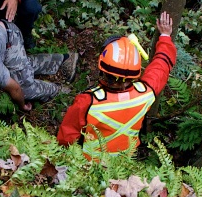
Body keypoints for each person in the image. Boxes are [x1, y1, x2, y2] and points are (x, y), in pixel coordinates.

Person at [57, 12, 176, 160]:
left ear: (102, 69)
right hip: (124, 164)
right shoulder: (146, 94)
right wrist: (165, 36)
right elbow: (162, 65)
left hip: (88, 166)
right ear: (136, 72)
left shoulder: (87, 102)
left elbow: (66, 138)